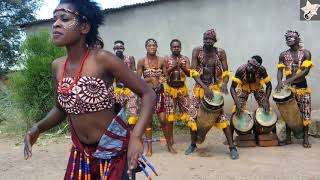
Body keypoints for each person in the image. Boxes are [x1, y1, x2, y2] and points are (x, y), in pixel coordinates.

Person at [23, 1, 155, 179]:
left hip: (113, 154)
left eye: (64, 18)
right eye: (54, 19)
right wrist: (38, 127)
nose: (56, 24)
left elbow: (148, 93)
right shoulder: (57, 66)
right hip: (81, 155)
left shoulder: (103, 59)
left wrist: (136, 137)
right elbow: (61, 109)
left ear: (84, 26)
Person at [186, 29, 239, 160]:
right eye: (205, 39)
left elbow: (226, 72)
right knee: (192, 116)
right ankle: (193, 144)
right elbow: (193, 72)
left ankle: (232, 147)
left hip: (214, 88)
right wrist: (205, 88)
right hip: (199, 87)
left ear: (215, 41)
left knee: (222, 117)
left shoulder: (220, 53)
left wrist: (224, 84)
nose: (207, 41)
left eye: (210, 39)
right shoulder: (197, 51)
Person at [136, 38, 176, 156]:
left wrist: (162, 79)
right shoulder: (141, 61)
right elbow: (137, 79)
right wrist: (150, 79)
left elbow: (166, 76)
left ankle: (169, 145)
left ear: (157, 47)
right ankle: (149, 148)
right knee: (148, 122)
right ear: (146, 47)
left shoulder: (162, 60)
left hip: (159, 93)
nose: (152, 47)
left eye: (154, 45)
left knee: (164, 120)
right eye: (149, 45)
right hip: (147, 94)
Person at [276, 30, 314, 148]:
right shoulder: (283, 54)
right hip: (289, 88)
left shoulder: (306, 53)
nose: (288, 39)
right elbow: (280, 70)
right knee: (289, 112)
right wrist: (279, 82)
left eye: (291, 37)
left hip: (302, 86)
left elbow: (305, 71)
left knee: (305, 111)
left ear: (298, 39)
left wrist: (289, 80)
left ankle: (305, 138)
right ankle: (288, 136)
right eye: (287, 38)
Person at [163, 39, 198, 153]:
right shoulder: (166, 59)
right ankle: (170, 138)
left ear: (181, 47)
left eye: (178, 46)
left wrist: (182, 66)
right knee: (170, 116)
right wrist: (174, 66)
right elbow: (165, 74)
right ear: (171, 48)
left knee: (189, 113)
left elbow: (189, 74)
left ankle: (193, 139)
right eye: (174, 47)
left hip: (182, 90)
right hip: (170, 90)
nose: (176, 48)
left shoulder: (185, 59)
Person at [230, 56, 272, 135]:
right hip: (243, 88)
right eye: (249, 64)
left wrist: (266, 100)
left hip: (257, 87)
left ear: (258, 67)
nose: (250, 67)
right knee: (236, 109)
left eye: (253, 66)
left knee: (266, 107)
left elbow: (269, 85)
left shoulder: (262, 70)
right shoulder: (240, 70)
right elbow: (232, 88)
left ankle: (269, 131)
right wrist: (237, 102)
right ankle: (230, 137)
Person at [113, 40, 139, 127]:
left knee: (133, 112)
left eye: (120, 48)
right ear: (113, 49)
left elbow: (134, 73)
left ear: (124, 49)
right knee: (119, 113)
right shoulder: (111, 61)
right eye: (116, 48)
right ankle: (121, 134)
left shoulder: (130, 59)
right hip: (118, 91)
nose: (118, 50)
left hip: (130, 89)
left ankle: (133, 134)